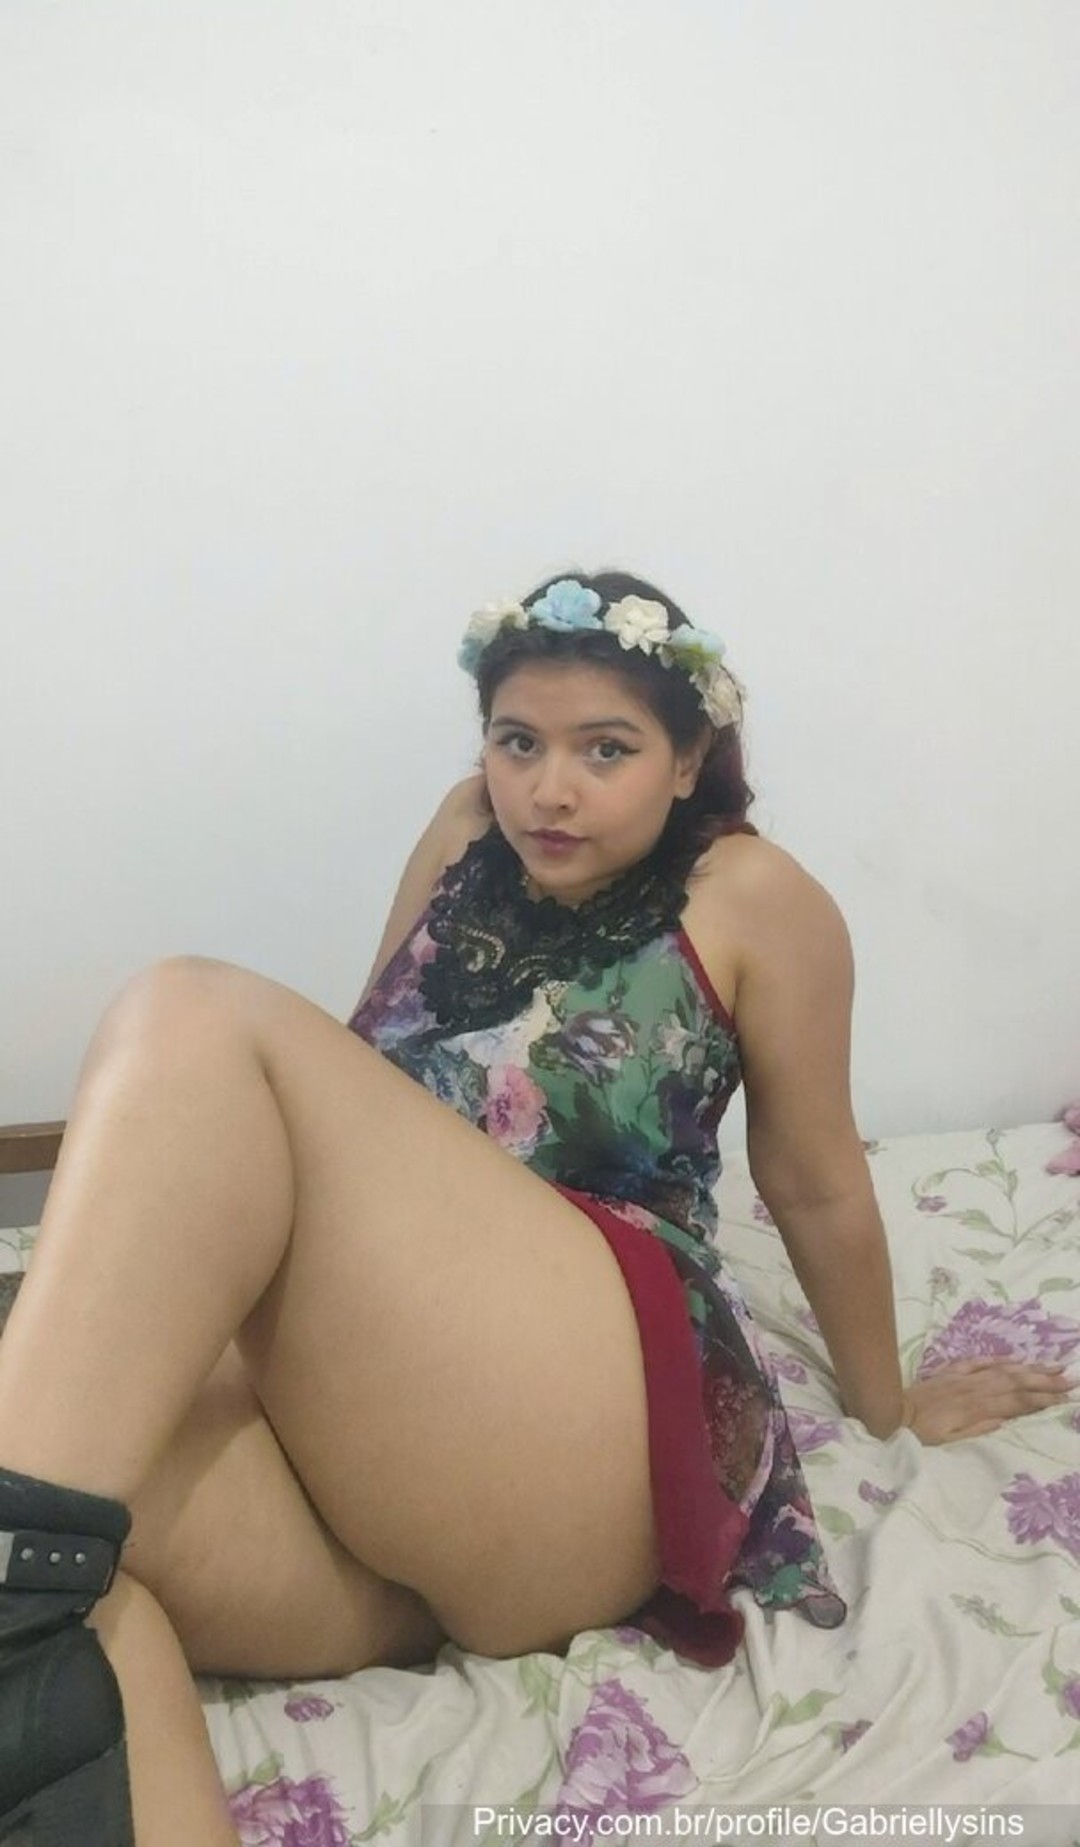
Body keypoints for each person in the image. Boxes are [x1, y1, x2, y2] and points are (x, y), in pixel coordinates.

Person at [0, 568, 1070, 1847]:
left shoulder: (753, 895)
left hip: (583, 1405)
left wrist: (887, 1408)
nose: (547, 788)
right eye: (518, 742)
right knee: (76, 1523)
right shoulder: (465, 832)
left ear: (689, 759)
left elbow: (816, 1182)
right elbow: (364, 1079)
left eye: (604, 749)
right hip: (404, 1465)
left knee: (192, 1013)